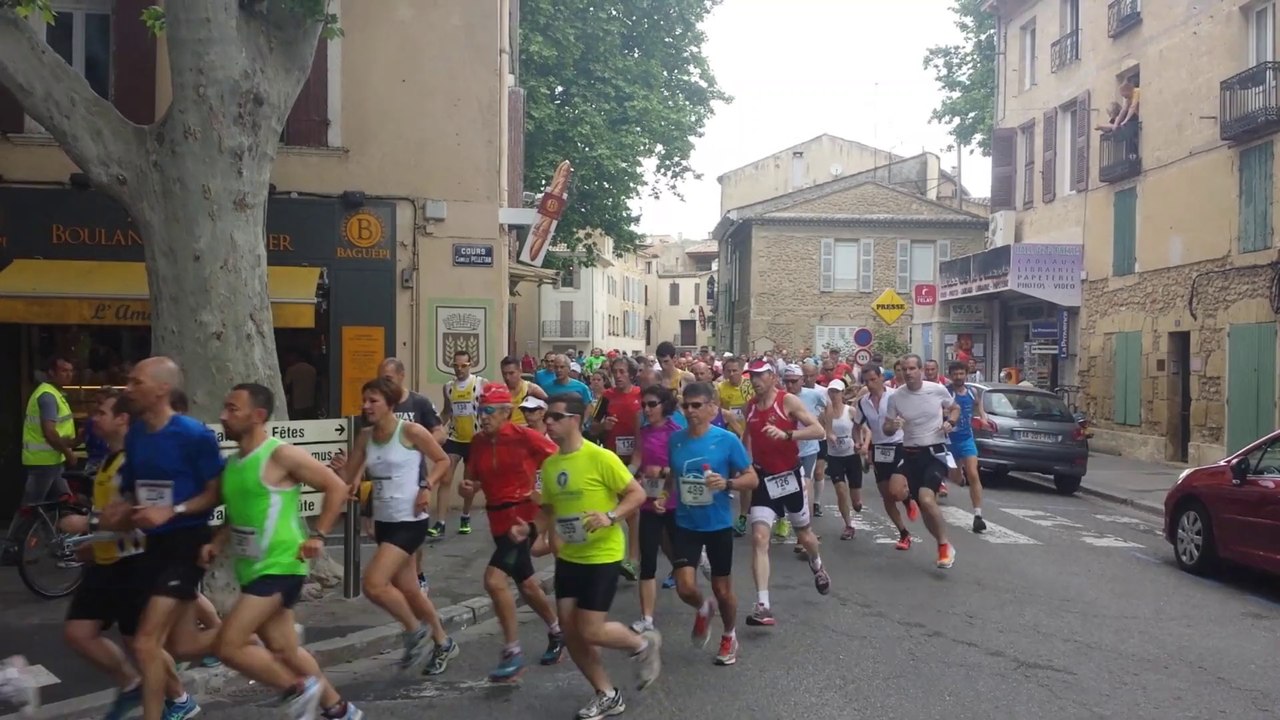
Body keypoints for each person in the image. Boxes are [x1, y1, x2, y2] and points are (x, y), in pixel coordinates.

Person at [209, 383, 361, 720]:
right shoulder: (234, 464)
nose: (223, 415)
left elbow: (336, 487)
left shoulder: (280, 454)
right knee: (285, 649)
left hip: (281, 567)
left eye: (233, 409)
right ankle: (340, 709)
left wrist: (319, 534)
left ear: (258, 416)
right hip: (253, 570)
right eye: (225, 407)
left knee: (228, 645)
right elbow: (239, 511)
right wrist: (216, 543)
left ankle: (298, 689)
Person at [510, 394, 661, 720]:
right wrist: (530, 530)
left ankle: (642, 644)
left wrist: (610, 515)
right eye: (546, 416)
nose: (547, 422)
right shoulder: (550, 464)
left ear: (574, 420)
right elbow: (548, 511)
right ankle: (606, 693)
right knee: (570, 630)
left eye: (554, 416)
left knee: (590, 629)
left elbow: (636, 494)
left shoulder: (600, 457)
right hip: (569, 557)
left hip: (602, 554)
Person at [57, 390, 195, 720]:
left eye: (102, 412)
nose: (94, 418)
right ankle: (132, 685)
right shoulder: (108, 459)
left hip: (136, 563)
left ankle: (179, 698)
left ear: (122, 419)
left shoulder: (139, 462)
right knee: (80, 633)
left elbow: (143, 514)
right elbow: (111, 512)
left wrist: (85, 523)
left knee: (141, 643)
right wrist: (93, 542)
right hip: (107, 563)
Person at [103, 357, 221, 720]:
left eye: (136, 382)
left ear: (161, 389)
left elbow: (216, 492)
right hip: (151, 545)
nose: (128, 389)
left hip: (187, 542)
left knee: (145, 642)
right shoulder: (137, 435)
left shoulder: (194, 435)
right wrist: (121, 510)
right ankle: (254, 637)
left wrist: (175, 511)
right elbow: (136, 491)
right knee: (180, 645)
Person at [342, 377, 459, 674]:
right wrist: (342, 476)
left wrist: (426, 485)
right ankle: (443, 642)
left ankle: (413, 631)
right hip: (385, 521)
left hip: (411, 520)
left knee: (374, 584)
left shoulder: (411, 431)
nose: (366, 406)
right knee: (409, 589)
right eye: (364, 400)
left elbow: (442, 461)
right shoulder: (365, 437)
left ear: (390, 404)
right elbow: (352, 480)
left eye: (373, 401)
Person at [461, 385, 564, 682]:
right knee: (528, 585)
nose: (484, 417)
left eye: (490, 410)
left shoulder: (524, 437)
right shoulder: (478, 442)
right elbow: (471, 480)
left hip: (522, 518)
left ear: (507, 412)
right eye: (480, 410)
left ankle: (512, 651)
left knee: (493, 581)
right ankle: (558, 632)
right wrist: (467, 487)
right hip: (496, 520)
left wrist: (547, 495)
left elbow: (560, 460)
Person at [667, 382, 756, 666]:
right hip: (685, 522)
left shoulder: (727, 440)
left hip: (717, 524)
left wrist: (727, 482)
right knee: (684, 587)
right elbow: (674, 477)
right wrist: (663, 495)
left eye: (696, 405)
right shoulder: (676, 440)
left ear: (712, 408)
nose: (690, 411)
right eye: (686, 405)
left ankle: (729, 634)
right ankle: (703, 607)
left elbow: (751, 478)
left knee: (722, 589)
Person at [742, 360, 831, 628]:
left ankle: (816, 563)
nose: (755, 381)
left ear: (772, 376)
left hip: (789, 478)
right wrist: (744, 466)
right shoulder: (751, 407)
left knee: (804, 535)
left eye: (760, 376)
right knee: (759, 538)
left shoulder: (787, 400)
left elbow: (818, 430)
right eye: (752, 376)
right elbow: (747, 439)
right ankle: (763, 605)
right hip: (764, 479)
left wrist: (787, 435)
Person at [882, 355, 959, 569]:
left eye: (912, 368)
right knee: (901, 495)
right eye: (905, 369)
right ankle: (940, 540)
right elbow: (886, 429)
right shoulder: (896, 397)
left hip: (934, 452)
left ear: (921, 370)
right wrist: (893, 426)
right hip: (909, 452)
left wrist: (950, 422)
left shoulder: (936, 389)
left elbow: (954, 408)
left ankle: (944, 545)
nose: (908, 373)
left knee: (926, 499)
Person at [376, 357, 446, 590]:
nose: (383, 384)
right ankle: (403, 584)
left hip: (414, 479)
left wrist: (416, 446)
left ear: (401, 376)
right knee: (389, 534)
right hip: (384, 482)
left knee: (413, 534)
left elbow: (440, 433)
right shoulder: (378, 405)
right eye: (380, 379)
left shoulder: (419, 403)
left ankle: (419, 577)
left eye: (388, 379)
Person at [5, 357, 80, 559]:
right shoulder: (47, 396)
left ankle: (58, 545)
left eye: (70, 370)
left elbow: (57, 431)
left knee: (64, 501)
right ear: (51, 373)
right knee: (31, 506)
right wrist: (68, 451)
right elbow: (49, 432)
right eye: (63, 371)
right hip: (43, 462)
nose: (68, 374)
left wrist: (73, 442)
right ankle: (11, 547)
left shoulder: (56, 394)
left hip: (52, 461)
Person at [626, 385, 682, 634]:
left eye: (652, 404)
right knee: (648, 560)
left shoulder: (676, 432)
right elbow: (637, 458)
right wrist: (625, 479)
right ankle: (647, 619)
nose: (646, 409)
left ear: (664, 405)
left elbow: (681, 468)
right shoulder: (644, 431)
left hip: (671, 503)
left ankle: (694, 582)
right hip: (649, 502)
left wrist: (663, 472)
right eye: (644, 405)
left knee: (677, 553)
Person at [590, 356, 643, 581]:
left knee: (636, 510)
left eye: (622, 371)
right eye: (615, 371)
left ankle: (634, 557)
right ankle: (630, 558)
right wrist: (603, 425)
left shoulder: (641, 395)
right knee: (629, 510)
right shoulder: (607, 397)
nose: (618, 376)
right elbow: (591, 429)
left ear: (631, 374)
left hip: (640, 457)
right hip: (613, 459)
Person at [857, 363, 916, 550]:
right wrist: (858, 442)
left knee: (896, 491)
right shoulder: (862, 402)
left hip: (899, 445)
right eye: (867, 381)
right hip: (879, 448)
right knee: (887, 496)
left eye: (873, 380)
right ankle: (904, 533)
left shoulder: (895, 395)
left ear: (882, 378)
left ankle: (908, 498)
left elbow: (910, 416)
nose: (871, 384)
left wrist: (902, 422)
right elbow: (856, 425)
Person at [433, 350, 486, 538]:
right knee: (445, 478)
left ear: (471, 365)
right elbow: (447, 411)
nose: (459, 369)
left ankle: (465, 515)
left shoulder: (480, 383)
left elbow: (487, 408)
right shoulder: (448, 387)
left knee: (467, 481)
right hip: (454, 438)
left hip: (474, 438)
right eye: (456, 366)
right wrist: (435, 427)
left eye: (463, 365)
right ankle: (440, 522)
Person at [946, 361, 988, 534]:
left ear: (966, 374)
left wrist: (983, 418)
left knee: (973, 473)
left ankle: (978, 515)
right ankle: (959, 475)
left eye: (961, 373)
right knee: (955, 478)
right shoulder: (946, 392)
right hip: (948, 441)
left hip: (966, 439)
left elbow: (979, 408)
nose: (958, 377)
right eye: (955, 374)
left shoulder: (972, 391)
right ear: (950, 375)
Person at [820, 379, 864, 541]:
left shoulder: (850, 411)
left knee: (856, 499)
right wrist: (827, 434)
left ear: (843, 393)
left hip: (851, 455)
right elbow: (818, 429)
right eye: (831, 391)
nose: (834, 395)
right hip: (834, 457)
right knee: (840, 490)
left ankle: (857, 502)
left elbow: (862, 429)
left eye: (837, 392)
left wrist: (861, 443)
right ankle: (848, 525)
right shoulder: (824, 414)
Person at [501, 355, 548, 427]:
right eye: (504, 374)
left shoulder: (531, 389)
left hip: (526, 431)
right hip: (507, 432)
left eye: (511, 373)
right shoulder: (500, 391)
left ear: (520, 371)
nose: (507, 377)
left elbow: (548, 407)